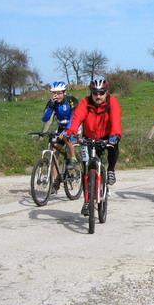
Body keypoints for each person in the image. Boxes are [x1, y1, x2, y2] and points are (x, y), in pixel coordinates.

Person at [64, 77, 122, 214]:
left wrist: (114, 135)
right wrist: (72, 132)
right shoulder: (85, 102)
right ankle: (87, 202)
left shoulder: (112, 102)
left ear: (106, 92)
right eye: (95, 93)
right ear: (91, 93)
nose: (98, 96)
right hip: (89, 137)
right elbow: (77, 117)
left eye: (101, 93)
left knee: (114, 147)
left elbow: (116, 119)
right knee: (87, 169)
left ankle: (111, 170)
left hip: (107, 136)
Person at [42, 81, 77, 188]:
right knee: (54, 152)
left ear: (64, 92)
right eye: (54, 93)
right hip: (61, 127)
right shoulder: (52, 102)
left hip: (74, 125)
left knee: (67, 138)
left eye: (59, 93)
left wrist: (67, 130)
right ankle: (56, 181)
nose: (56, 95)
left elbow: (74, 116)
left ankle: (73, 159)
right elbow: (45, 118)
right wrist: (50, 106)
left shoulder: (71, 100)